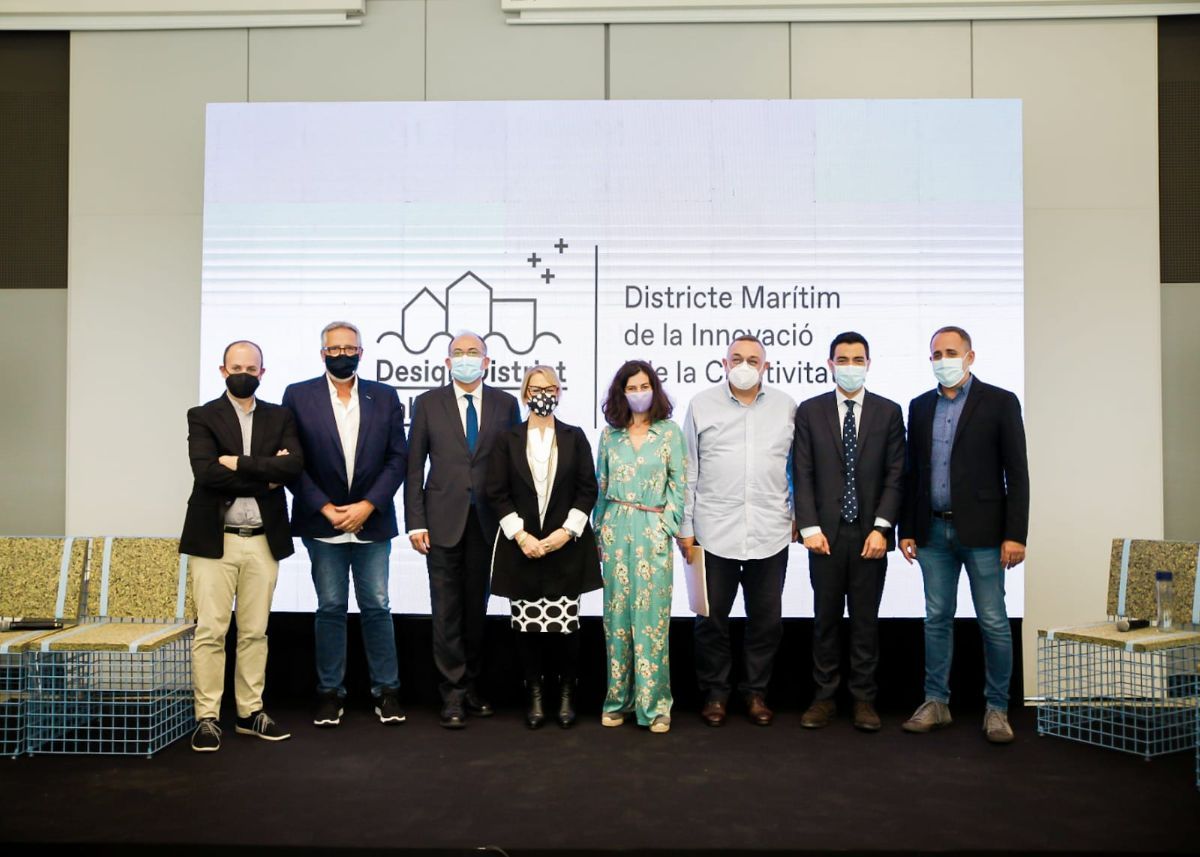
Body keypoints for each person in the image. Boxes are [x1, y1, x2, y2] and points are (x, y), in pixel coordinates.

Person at [898, 326, 1029, 744]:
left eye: (951, 352)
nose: (943, 360)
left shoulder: (1001, 402)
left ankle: (997, 708)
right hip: (932, 531)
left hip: (986, 534)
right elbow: (912, 474)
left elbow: (1017, 473)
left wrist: (1016, 534)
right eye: (937, 354)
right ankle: (936, 702)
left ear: (970, 357)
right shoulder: (920, 406)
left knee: (992, 620)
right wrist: (907, 528)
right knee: (936, 618)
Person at [283, 321, 409, 728]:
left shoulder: (384, 396)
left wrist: (368, 505)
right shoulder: (298, 396)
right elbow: (292, 461)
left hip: (372, 521)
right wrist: (326, 508)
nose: (342, 354)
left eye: (349, 348)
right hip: (323, 523)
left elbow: (398, 458)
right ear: (322, 354)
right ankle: (329, 694)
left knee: (377, 607)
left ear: (361, 352)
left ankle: (387, 692)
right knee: (330, 608)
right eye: (334, 349)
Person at [181, 340, 304, 752]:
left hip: (263, 542)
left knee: (255, 632)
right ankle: (207, 718)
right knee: (211, 632)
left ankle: (250, 713)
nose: (244, 375)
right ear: (223, 371)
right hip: (215, 541)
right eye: (237, 368)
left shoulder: (280, 416)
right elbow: (206, 473)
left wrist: (237, 462)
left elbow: (292, 466)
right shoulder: (203, 416)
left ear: (262, 373)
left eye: (252, 369)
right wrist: (265, 475)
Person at [677, 335, 797, 727]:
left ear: (766, 366)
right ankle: (716, 694)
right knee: (711, 621)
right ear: (724, 364)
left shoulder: (786, 407)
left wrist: (798, 515)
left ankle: (755, 693)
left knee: (767, 622)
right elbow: (689, 469)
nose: (744, 366)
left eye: (753, 360)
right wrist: (685, 526)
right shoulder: (701, 405)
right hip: (713, 531)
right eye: (737, 359)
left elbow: (797, 468)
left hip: (770, 531)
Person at [405, 332, 520, 729]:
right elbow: (414, 467)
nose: (465, 358)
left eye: (473, 353)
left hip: (488, 524)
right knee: (446, 610)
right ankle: (451, 693)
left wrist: (515, 521)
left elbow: (514, 465)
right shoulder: (427, 403)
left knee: (476, 609)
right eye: (458, 353)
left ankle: (471, 686)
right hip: (440, 523)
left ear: (486, 362)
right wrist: (415, 521)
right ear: (447, 361)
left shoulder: (505, 404)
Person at [793, 332, 905, 732]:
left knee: (865, 623)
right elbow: (801, 473)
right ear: (830, 364)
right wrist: (809, 527)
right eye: (843, 360)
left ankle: (863, 700)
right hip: (823, 536)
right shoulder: (810, 411)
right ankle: (824, 699)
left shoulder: (889, 412)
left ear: (869, 364)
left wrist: (882, 528)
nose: (851, 367)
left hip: (869, 536)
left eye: (858, 360)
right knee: (824, 621)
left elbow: (896, 475)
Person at [486, 365, 601, 729]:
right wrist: (520, 536)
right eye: (536, 389)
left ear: (559, 392)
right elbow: (496, 492)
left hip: (565, 548)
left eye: (550, 388)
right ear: (525, 394)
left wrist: (568, 532)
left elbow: (588, 489)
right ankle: (534, 694)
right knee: (526, 629)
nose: (543, 394)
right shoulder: (507, 439)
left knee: (567, 628)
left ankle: (566, 694)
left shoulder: (574, 436)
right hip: (521, 548)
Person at [594, 360, 687, 734]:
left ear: (655, 389)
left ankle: (655, 707)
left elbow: (679, 484)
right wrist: (599, 532)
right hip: (616, 530)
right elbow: (601, 486)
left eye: (643, 386)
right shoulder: (609, 436)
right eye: (630, 388)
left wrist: (667, 526)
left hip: (652, 530)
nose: (638, 393)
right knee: (616, 621)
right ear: (621, 392)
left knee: (652, 622)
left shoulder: (669, 433)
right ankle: (618, 700)